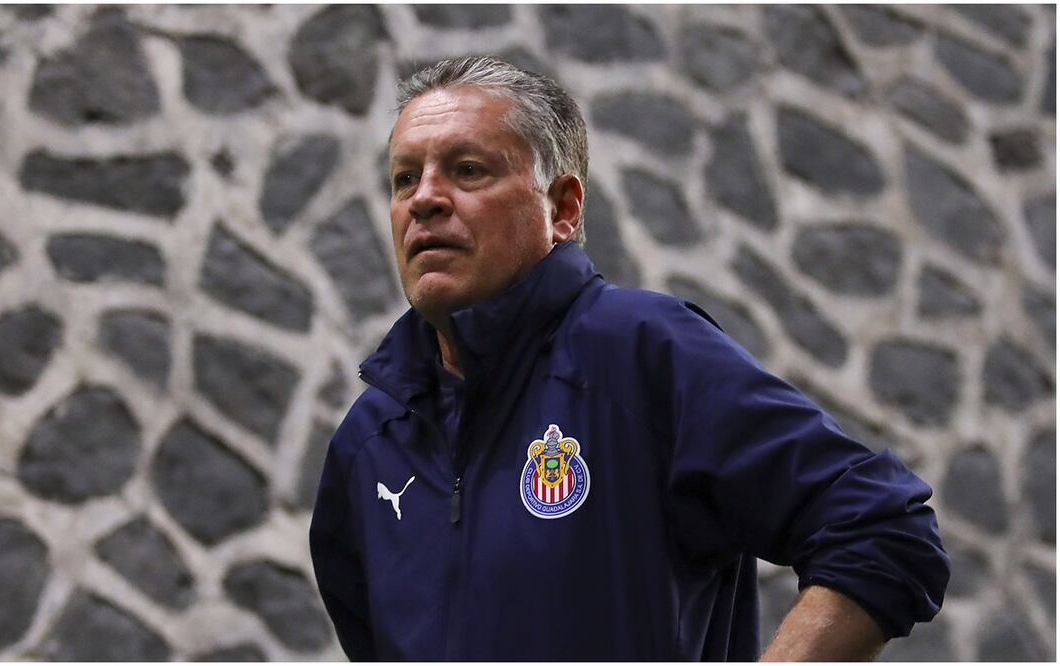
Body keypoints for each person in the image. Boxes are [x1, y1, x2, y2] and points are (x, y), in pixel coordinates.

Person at [309, 55, 949, 661]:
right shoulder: (368, 444)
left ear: (561, 208)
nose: (424, 198)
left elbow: (883, 526)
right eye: (404, 178)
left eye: (467, 170)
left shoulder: (641, 352)